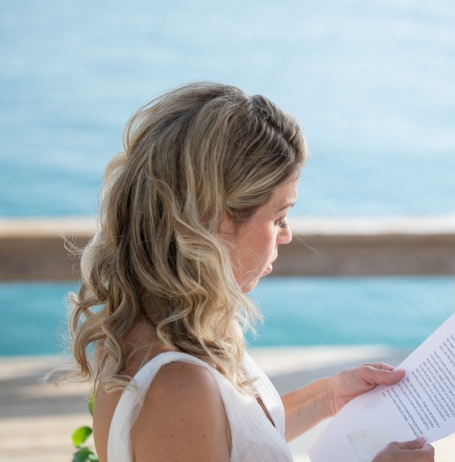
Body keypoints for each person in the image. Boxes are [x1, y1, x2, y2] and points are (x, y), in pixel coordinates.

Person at [67, 82, 435, 462]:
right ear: (214, 222)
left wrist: (328, 396)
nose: (288, 234)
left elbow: (237, 439)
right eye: (279, 217)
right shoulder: (175, 387)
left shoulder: (168, 326)